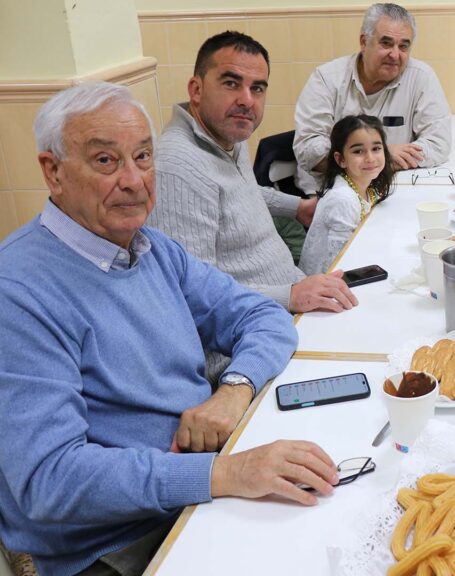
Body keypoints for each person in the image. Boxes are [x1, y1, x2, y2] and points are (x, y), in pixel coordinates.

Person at [0, 82, 341, 576]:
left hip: (198, 489)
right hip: (117, 544)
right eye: (105, 161)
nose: (135, 181)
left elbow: (262, 317)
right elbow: (51, 482)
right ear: (52, 171)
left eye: (143, 157)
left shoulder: (151, 249)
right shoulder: (19, 291)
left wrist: (234, 391)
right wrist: (222, 473)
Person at [148, 31, 358, 316]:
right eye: (231, 83)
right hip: (252, 331)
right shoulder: (177, 167)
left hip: (289, 298)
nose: (247, 100)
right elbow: (190, 293)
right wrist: (290, 296)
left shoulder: (228, 135)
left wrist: (297, 207)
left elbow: (237, 192)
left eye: (257, 88)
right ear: (196, 90)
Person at [293, 3, 451, 193]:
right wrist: (381, 155)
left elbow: (438, 143)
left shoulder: (421, 77)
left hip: (388, 191)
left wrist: (369, 160)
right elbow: (308, 148)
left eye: (403, 46)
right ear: (363, 42)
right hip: (327, 193)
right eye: (386, 43)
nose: (395, 54)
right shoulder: (326, 79)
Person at [299, 115, 396, 275]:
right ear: (341, 159)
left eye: (376, 149)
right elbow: (342, 263)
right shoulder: (343, 199)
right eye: (358, 151)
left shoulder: (368, 188)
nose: (370, 158)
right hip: (327, 284)